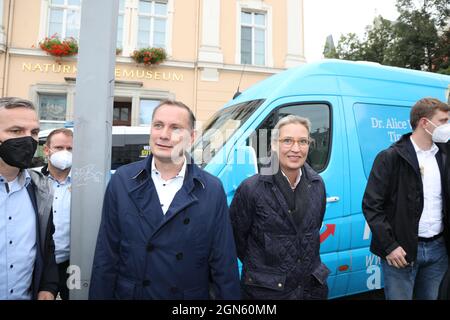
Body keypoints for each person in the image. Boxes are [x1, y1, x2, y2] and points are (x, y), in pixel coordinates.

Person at [89, 99, 240, 300]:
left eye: (175, 128)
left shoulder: (211, 189)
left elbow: (223, 262)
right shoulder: (123, 181)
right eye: (158, 125)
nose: (164, 135)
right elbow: (106, 256)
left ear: (192, 137)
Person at [229, 115, 329, 300]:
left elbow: (313, 229)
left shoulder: (317, 184)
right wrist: (267, 272)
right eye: (287, 141)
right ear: (274, 145)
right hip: (266, 293)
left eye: (303, 141)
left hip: (310, 291)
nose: (296, 149)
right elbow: (236, 240)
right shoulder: (251, 188)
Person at [363, 97, 450, 300]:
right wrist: (390, 246)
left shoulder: (444, 155)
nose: (447, 126)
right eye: (443, 120)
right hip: (402, 253)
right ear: (424, 123)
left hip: (438, 250)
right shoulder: (390, 157)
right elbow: (371, 205)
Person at [0, 97, 58, 300]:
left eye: (34, 133)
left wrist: (48, 287)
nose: (28, 140)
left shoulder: (40, 188)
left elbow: (47, 245)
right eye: (16, 131)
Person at [41, 128, 73, 300]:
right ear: (47, 150)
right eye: (59, 148)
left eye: (70, 149)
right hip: (42, 264)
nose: (65, 153)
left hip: (72, 264)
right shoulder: (34, 179)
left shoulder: (86, 183)